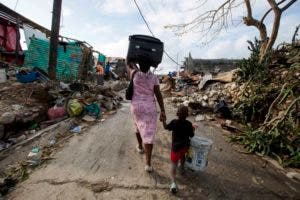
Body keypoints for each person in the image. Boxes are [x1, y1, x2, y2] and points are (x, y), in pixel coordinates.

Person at [128, 61, 166, 173]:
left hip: (136, 107)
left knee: (138, 126)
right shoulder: (154, 77)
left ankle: (140, 147)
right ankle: (148, 164)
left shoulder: (134, 73)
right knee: (148, 134)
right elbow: (158, 94)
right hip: (149, 107)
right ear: (151, 65)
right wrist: (163, 110)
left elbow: (128, 62)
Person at [162, 105, 194, 193]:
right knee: (182, 155)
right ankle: (182, 167)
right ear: (187, 115)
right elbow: (192, 135)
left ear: (177, 114)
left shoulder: (174, 122)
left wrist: (163, 120)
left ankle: (173, 183)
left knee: (173, 164)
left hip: (175, 148)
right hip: (185, 147)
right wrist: (193, 129)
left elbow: (165, 127)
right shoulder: (189, 124)